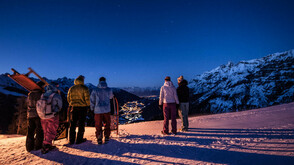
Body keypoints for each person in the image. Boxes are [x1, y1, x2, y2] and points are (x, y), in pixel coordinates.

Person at [90, 77, 114, 144]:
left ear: (99, 81)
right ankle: (106, 136)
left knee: (98, 124)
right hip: (106, 109)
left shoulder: (95, 90)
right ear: (105, 81)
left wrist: (92, 108)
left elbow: (92, 100)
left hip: (98, 110)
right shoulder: (109, 89)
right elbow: (111, 97)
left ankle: (99, 137)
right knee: (107, 123)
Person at [67, 75, 90, 144]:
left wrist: (71, 104)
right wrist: (88, 105)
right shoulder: (85, 88)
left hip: (73, 107)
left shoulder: (71, 88)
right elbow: (87, 99)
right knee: (81, 123)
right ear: (82, 80)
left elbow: (68, 98)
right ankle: (79, 139)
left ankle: (71, 140)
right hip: (82, 108)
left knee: (73, 123)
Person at [40, 85, 63, 154]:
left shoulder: (43, 95)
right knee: (52, 130)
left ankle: (47, 143)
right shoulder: (56, 95)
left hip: (43, 115)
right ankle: (46, 145)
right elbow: (60, 106)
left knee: (46, 130)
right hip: (52, 115)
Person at [26, 81, 45, 152]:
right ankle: (38, 146)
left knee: (30, 131)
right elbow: (43, 105)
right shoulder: (41, 94)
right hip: (38, 115)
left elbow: (27, 103)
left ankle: (29, 147)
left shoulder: (30, 94)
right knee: (39, 130)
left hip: (30, 115)